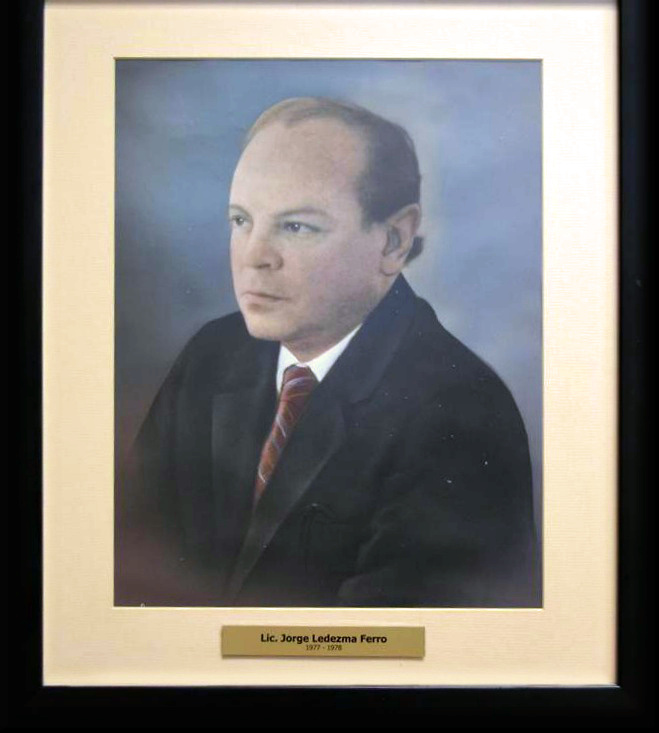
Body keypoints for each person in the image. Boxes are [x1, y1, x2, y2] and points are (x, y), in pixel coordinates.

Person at [115, 97, 540, 607]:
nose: (254, 257)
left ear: (393, 241)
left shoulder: (460, 412)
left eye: (297, 226)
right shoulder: (213, 356)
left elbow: (395, 643)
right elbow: (131, 568)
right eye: (241, 220)